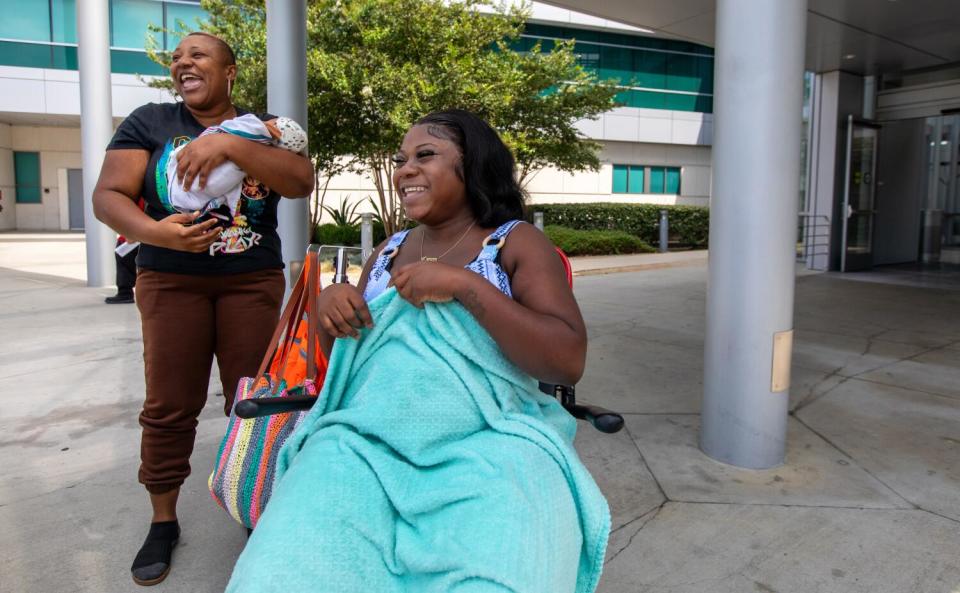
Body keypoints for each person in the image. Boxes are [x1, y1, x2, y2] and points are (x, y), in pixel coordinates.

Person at [227, 110, 609, 593]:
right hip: (366, 440)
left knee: (503, 565)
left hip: (491, 441)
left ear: (473, 166)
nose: (405, 169)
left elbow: (567, 358)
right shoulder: (389, 250)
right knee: (281, 568)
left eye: (425, 155)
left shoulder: (516, 242)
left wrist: (466, 287)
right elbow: (342, 367)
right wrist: (331, 310)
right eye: (400, 159)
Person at [92, 31, 313, 586]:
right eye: (177, 58)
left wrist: (229, 145)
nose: (182, 63)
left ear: (230, 70)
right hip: (171, 281)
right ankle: (163, 520)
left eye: (198, 55)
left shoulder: (263, 127)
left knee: (257, 400)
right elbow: (108, 196)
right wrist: (155, 234)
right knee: (169, 403)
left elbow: (299, 179)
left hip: (250, 280)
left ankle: (255, 504)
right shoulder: (149, 121)